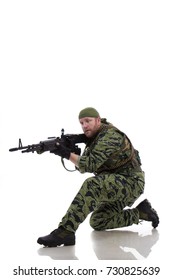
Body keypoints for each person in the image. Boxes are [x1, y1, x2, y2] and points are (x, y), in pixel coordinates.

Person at [37, 107, 159, 247]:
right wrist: (72, 151)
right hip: (116, 184)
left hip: (131, 182)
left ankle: (66, 231)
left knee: (92, 185)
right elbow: (83, 167)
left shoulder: (110, 136)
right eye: (81, 123)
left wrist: (66, 154)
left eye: (88, 121)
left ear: (98, 120)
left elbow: (90, 165)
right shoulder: (94, 140)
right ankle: (141, 213)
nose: (84, 126)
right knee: (98, 221)